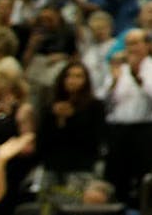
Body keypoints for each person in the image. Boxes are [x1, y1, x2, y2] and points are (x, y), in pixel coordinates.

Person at [102, 28, 152, 207]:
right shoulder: (118, 70)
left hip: (146, 132)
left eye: (135, 43)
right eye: (128, 44)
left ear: (147, 45)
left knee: (147, 183)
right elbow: (104, 102)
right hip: (118, 132)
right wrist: (114, 82)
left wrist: (138, 77)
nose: (131, 48)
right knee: (116, 182)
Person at [36, 61, 106, 205]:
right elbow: (41, 141)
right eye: (69, 76)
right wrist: (58, 120)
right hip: (52, 168)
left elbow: (94, 140)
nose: (73, 80)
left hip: (81, 168)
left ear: (86, 81)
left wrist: (72, 118)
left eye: (78, 76)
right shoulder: (50, 107)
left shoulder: (95, 107)